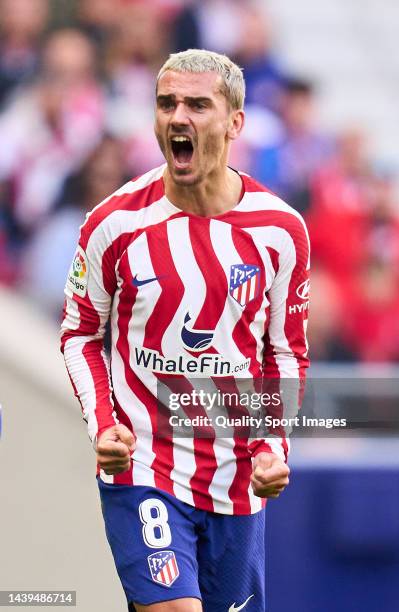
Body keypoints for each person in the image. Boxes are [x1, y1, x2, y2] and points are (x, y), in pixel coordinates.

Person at [60, 49, 310, 612]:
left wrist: (273, 445)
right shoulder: (112, 224)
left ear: (235, 122)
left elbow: (285, 353)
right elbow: (79, 334)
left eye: (198, 104)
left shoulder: (281, 230)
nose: (179, 117)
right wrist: (104, 423)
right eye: (167, 103)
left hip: (235, 475)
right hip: (143, 466)